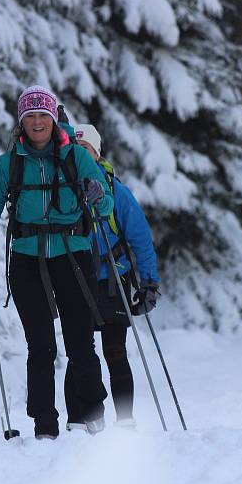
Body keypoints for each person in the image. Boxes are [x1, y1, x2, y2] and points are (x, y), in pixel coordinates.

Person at [0, 85, 113, 440]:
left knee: (80, 341)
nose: (37, 122)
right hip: (27, 260)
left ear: (53, 119)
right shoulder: (9, 163)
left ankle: (93, 414)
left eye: (42, 116)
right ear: (21, 123)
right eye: (30, 116)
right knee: (41, 346)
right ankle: (44, 424)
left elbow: (105, 205)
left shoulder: (76, 157)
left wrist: (98, 196)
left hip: (73, 256)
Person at [64, 123, 160, 431]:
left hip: (112, 280)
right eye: (76, 150)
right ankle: (78, 421)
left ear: (97, 152)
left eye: (87, 150)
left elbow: (140, 238)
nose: (82, 155)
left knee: (115, 352)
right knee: (78, 354)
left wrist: (149, 284)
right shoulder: (61, 189)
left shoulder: (115, 190)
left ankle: (125, 420)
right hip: (76, 281)